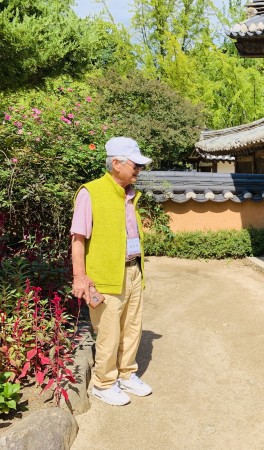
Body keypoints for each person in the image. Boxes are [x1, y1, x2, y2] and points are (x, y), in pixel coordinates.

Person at [70, 137, 153, 406]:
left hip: (133, 270)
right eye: (135, 165)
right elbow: (78, 239)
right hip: (105, 276)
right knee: (108, 332)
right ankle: (103, 383)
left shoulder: (130, 194)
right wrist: (80, 277)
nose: (139, 170)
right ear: (116, 164)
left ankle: (127, 374)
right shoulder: (91, 192)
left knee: (132, 328)